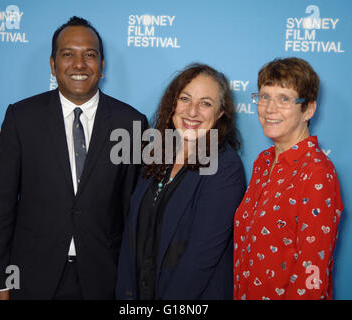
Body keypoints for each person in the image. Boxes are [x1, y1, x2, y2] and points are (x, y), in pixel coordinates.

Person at [0, 16, 147, 300]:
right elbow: (1, 209)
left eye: (90, 55)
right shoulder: (21, 118)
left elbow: (132, 212)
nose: (79, 64)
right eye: (68, 54)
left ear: (102, 66)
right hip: (31, 279)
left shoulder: (131, 123)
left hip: (104, 280)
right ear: (52, 64)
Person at [116, 63, 246, 300]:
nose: (192, 111)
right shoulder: (155, 154)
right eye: (185, 99)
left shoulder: (225, 167)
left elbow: (201, 258)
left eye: (206, 103)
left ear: (220, 113)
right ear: (172, 104)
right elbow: (132, 238)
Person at [233, 57, 343, 300]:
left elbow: (312, 271)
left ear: (309, 110)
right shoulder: (263, 162)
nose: (270, 108)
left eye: (284, 99)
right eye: (264, 96)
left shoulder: (316, 172)